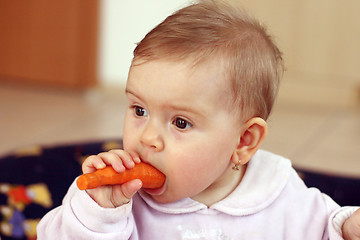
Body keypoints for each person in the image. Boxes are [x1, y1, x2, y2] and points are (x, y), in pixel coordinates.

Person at [37, 0, 360, 239]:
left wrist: (347, 227)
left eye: (180, 123)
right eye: (139, 110)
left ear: (243, 142)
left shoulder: (277, 190)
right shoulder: (118, 197)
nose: (148, 138)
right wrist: (98, 214)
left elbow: (325, 228)